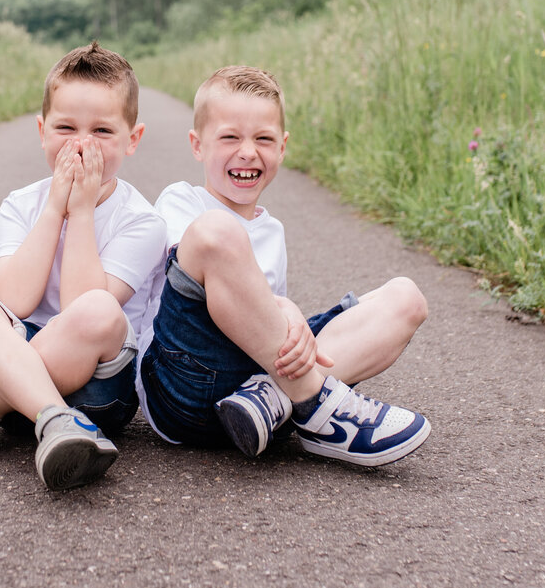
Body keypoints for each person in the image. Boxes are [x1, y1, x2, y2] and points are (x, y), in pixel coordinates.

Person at [0, 42, 166, 491]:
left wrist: (80, 213)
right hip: (11, 357)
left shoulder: (142, 221)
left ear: (132, 139)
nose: (81, 143)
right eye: (65, 127)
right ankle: (54, 419)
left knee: (100, 308)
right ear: (42, 131)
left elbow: (85, 307)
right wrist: (54, 209)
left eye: (102, 130)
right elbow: (15, 300)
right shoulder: (21, 204)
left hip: (98, 392)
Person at [137, 65, 431, 466]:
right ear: (197, 144)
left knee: (406, 300)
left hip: (248, 390)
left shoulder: (271, 230)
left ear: (282, 146)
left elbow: (264, 325)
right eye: (229, 137)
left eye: (263, 139)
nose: (247, 151)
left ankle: (274, 398)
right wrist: (285, 309)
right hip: (184, 383)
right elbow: (204, 268)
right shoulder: (182, 202)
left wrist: (288, 317)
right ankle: (319, 407)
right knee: (217, 232)